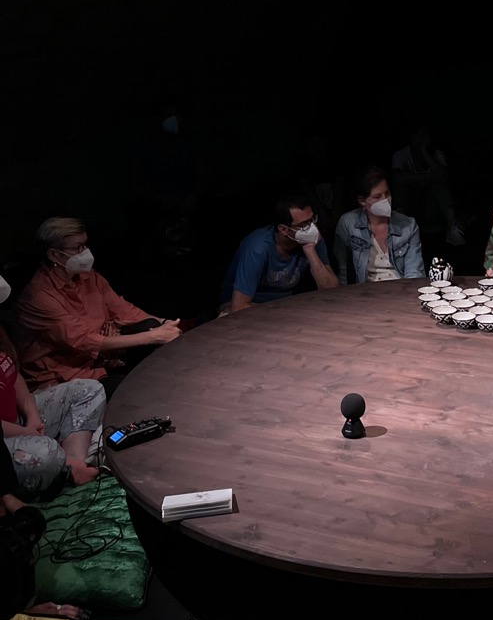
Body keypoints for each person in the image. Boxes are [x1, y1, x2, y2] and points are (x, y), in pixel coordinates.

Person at [15, 218, 182, 392]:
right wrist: (154, 336)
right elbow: (85, 341)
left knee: (150, 325)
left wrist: (163, 323)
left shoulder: (88, 276)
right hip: (65, 375)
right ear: (54, 255)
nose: (85, 252)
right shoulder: (39, 297)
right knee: (137, 385)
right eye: (77, 247)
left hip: (98, 359)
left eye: (85, 245)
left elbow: (122, 309)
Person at [1, 325, 103, 494]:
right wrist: (25, 432)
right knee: (45, 454)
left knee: (89, 389)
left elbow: (12, 373)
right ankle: (65, 468)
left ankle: (75, 463)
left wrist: (32, 415)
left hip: (19, 420)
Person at [220, 195, 337, 311]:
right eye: (304, 225)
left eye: (312, 220)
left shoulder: (312, 239)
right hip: (248, 305)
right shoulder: (258, 248)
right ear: (284, 229)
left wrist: (310, 250)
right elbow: (239, 307)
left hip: (285, 303)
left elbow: (331, 289)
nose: (312, 227)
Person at [333, 166, 424, 284]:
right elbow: (342, 271)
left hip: (401, 289)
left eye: (387, 193)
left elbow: (414, 275)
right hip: (366, 291)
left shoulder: (408, 225)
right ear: (362, 201)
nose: (385, 200)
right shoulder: (348, 223)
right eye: (377, 197)